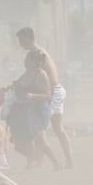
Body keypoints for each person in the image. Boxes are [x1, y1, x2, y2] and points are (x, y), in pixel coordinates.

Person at [16, 27, 75, 169]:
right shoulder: (37, 52)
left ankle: (60, 162)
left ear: (28, 38)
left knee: (45, 128)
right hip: (55, 91)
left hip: (53, 92)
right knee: (49, 128)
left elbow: (31, 75)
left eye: (21, 40)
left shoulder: (37, 54)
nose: (20, 44)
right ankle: (46, 161)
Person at [7, 50, 58, 169]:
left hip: (38, 111)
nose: (24, 61)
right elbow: (18, 86)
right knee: (27, 140)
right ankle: (33, 163)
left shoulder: (41, 74)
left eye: (27, 59)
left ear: (35, 62)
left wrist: (32, 96)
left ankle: (55, 163)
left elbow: (48, 95)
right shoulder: (27, 73)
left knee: (41, 141)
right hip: (27, 111)